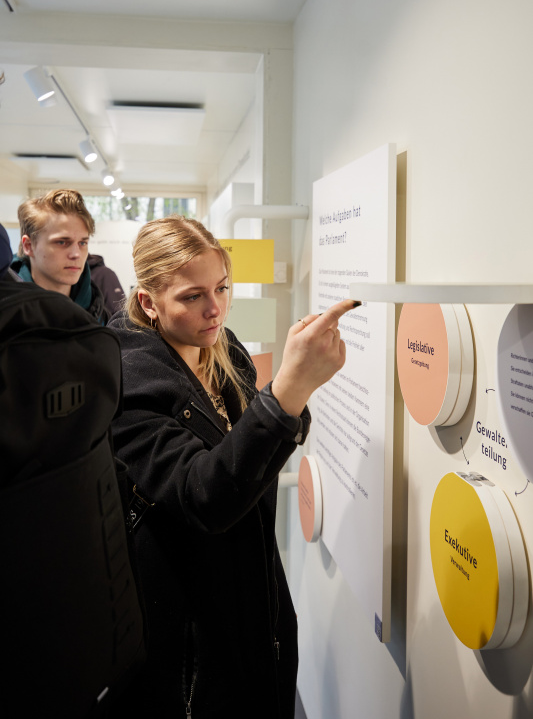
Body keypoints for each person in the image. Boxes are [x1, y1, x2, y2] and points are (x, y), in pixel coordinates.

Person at [109, 215, 358, 719]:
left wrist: (291, 395)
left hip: (256, 590)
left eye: (222, 288)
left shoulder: (224, 349)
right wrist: (289, 390)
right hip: (187, 628)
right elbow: (206, 497)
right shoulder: (125, 380)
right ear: (148, 302)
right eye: (191, 296)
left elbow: (260, 455)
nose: (215, 308)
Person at [11, 188, 107, 323]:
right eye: (62, 242)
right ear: (28, 246)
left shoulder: (101, 316)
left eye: (82, 243)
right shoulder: (7, 314)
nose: (76, 254)